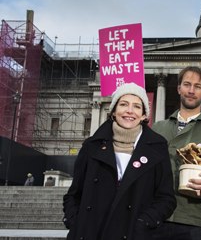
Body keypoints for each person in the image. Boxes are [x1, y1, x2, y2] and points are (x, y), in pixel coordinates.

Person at [63, 83, 176, 240]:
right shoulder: (91, 146)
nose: (130, 110)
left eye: (137, 106)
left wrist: (143, 224)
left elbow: (166, 199)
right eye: (123, 104)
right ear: (114, 111)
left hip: (132, 234)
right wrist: (75, 222)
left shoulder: (158, 147)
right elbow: (73, 195)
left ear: (144, 115)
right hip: (90, 232)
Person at [152, 66, 201, 239]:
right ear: (178, 88)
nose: (191, 90)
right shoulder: (158, 128)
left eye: (197, 86)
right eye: (187, 84)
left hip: (195, 221)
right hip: (155, 217)